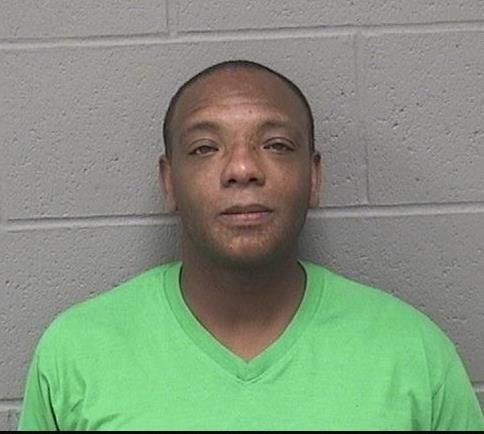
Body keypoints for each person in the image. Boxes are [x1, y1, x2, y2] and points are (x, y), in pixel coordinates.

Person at [19, 60, 483, 430]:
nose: (242, 168)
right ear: (169, 182)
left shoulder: (412, 353)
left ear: (314, 177)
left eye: (276, 145)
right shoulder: (76, 352)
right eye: (205, 148)